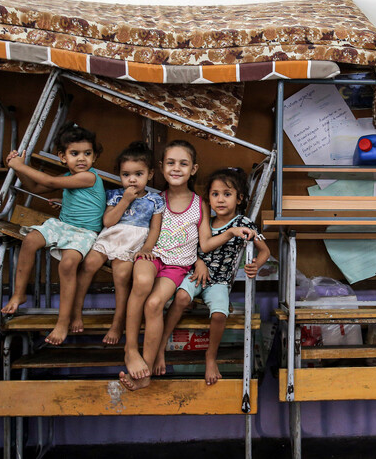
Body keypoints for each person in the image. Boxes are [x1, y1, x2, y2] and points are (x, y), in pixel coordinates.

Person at [119, 141, 253, 391]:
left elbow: (204, 243)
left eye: (183, 163)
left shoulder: (200, 204)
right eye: (170, 163)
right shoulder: (154, 199)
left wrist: (214, 246)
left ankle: (144, 372)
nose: (176, 168)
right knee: (143, 283)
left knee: (154, 303)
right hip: (151, 257)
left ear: (193, 169)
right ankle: (130, 351)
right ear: (160, 168)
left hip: (177, 266)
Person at [154, 167, 270, 385]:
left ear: (239, 198)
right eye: (215, 194)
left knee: (219, 314)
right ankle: (160, 348)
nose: (220, 200)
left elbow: (265, 250)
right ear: (208, 198)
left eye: (227, 194)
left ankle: (210, 357)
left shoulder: (243, 223)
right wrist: (198, 263)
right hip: (195, 273)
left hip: (219, 281)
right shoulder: (204, 221)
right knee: (180, 298)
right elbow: (193, 246)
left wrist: (256, 265)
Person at [1, 125, 105, 345]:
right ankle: (19, 294)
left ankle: (62, 322)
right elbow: (37, 187)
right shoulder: (69, 175)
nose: (81, 159)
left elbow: (49, 182)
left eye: (87, 154)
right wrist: (19, 169)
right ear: (62, 157)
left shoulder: (88, 177)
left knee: (67, 265)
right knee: (30, 240)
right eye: (74, 154)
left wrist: (20, 164)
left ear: (94, 157)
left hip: (85, 233)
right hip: (64, 225)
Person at [71, 141, 164, 344]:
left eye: (138, 174)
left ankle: (117, 323)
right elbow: (108, 221)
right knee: (88, 265)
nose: (132, 180)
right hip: (110, 237)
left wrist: (147, 248)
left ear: (150, 174)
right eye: (126, 175)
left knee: (122, 277)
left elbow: (155, 228)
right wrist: (125, 201)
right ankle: (76, 313)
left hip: (133, 243)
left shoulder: (155, 200)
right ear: (120, 176)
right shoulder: (115, 195)